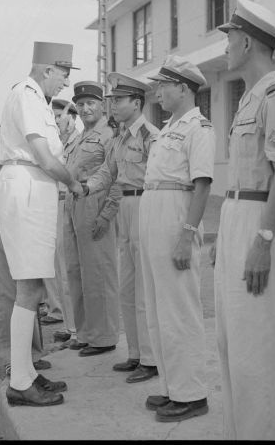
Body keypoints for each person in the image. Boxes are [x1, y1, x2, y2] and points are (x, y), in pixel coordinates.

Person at [212, 0, 275, 439]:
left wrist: (263, 240)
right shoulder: (249, 100)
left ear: (246, 42)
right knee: (234, 345)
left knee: (260, 349)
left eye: (229, 38)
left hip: (259, 222)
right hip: (237, 217)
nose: (225, 47)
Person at [0, 41, 83, 407]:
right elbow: (43, 155)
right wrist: (73, 182)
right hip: (26, 186)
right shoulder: (27, 94)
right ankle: (20, 381)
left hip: (32, 188)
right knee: (29, 288)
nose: (64, 83)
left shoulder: (36, 99)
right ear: (47, 70)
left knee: (33, 288)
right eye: (63, 74)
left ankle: (25, 371)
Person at [137, 55, 215, 423]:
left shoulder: (198, 128)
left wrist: (187, 235)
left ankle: (192, 393)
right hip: (154, 213)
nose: (158, 91)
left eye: (164, 85)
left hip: (176, 216)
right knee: (157, 307)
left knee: (180, 309)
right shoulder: (167, 128)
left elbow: (201, 186)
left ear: (183, 88)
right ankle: (172, 386)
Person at [80, 72, 160, 384]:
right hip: (124, 208)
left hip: (144, 205)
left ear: (137, 102)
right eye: (111, 101)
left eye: (119, 100)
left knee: (143, 288)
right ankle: (136, 354)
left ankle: (152, 359)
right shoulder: (118, 139)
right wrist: (83, 187)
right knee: (127, 286)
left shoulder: (151, 136)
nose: (113, 105)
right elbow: (106, 173)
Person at [0, 125, 50, 375]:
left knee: (25, 289)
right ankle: (6, 357)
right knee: (2, 292)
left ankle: (30, 354)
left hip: (23, 219)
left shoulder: (32, 136)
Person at [63, 81, 121, 356]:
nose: (85, 109)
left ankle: (104, 336)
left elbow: (117, 176)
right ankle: (85, 332)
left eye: (91, 104)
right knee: (77, 271)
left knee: (98, 271)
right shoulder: (78, 137)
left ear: (102, 106)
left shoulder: (109, 135)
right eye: (81, 104)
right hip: (74, 203)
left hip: (95, 202)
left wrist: (106, 214)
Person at [44, 98, 80, 347]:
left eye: (60, 116)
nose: (56, 121)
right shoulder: (58, 143)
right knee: (59, 269)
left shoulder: (79, 141)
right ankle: (69, 325)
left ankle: (78, 329)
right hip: (54, 205)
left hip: (70, 204)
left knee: (70, 268)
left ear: (72, 117)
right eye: (53, 117)